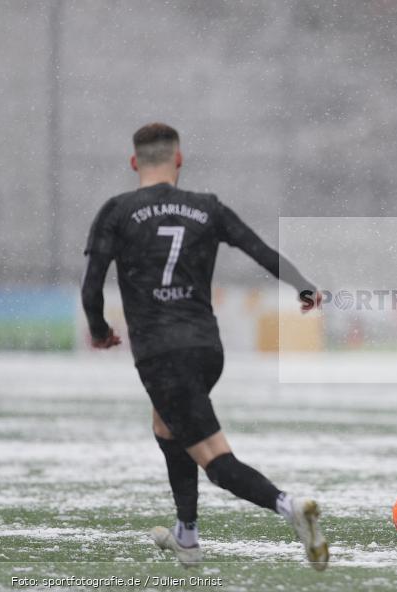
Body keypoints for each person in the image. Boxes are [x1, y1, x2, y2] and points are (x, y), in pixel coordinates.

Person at [80, 123, 329, 569]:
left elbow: (92, 285)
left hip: (161, 352)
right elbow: (259, 250)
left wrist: (99, 330)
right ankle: (188, 536)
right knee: (166, 425)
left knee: (214, 458)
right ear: (178, 159)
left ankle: (290, 507)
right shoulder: (206, 207)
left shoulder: (117, 211)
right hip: (206, 348)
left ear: (134, 162)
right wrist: (303, 286)